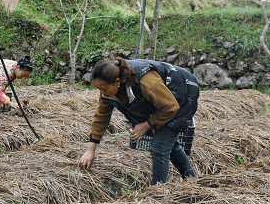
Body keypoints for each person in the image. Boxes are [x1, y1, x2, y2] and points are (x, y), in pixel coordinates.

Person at [78, 57, 199, 185]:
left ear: (117, 81)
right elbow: (102, 116)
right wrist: (91, 149)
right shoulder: (109, 89)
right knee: (168, 141)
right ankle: (192, 180)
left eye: (103, 89)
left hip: (183, 95)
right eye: (99, 89)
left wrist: (147, 124)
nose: (102, 93)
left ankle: (157, 190)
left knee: (160, 146)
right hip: (162, 101)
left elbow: (170, 107)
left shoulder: (146, 81)